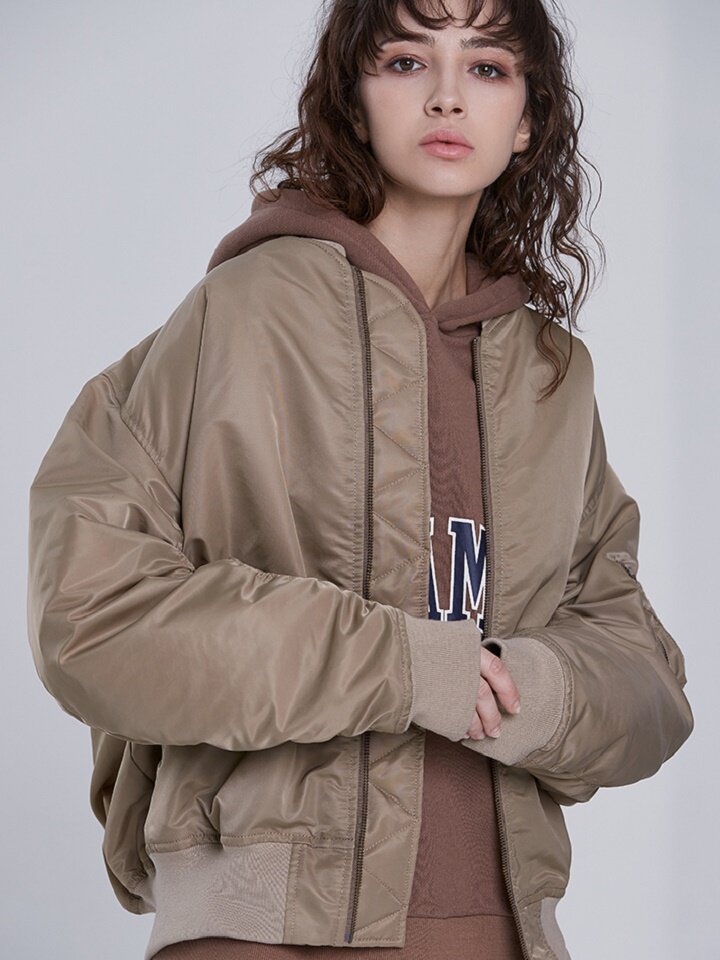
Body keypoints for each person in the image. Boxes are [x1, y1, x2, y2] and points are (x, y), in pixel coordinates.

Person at [26, 1, 694, 958]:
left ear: (529, 120)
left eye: (488, 67)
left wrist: (532, 690)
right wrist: (404, 668)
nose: (448, 96)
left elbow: (646, 671)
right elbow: (90, 616)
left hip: (502, 930)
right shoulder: (240, 317)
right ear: (353, 96)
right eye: (407, 60)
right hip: (263, 931)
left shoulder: (552, 377)